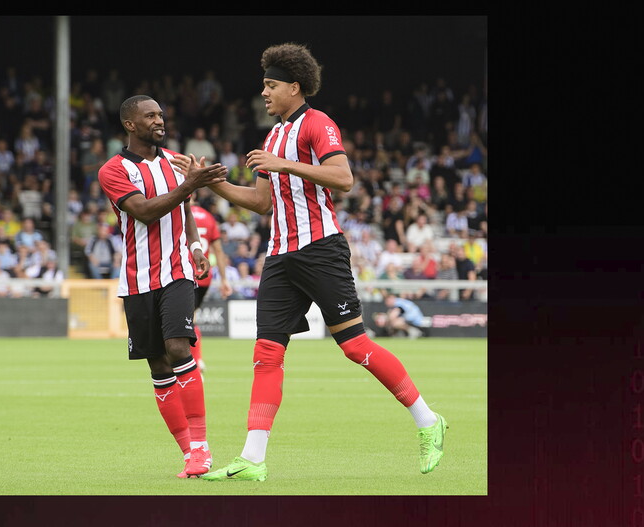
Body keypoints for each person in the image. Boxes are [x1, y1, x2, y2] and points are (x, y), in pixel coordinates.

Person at [171, 43, 447, 481]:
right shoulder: (272, 136)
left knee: (355, 347)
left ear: (294, 87)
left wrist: (285, 164)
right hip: (280, 256)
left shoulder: (318, 124)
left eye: (270, 85)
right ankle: (253, 458)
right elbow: (261, 202)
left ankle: (429, 420)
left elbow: (344, 178)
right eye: (264, 84)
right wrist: (211, 185)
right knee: (266, 354)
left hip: (321, 249)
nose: (263, 92)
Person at [97, 94, 228, 479]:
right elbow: (145, 210)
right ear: (130, 124)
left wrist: (196, 245)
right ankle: (188, 452)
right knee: (157, 365)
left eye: (161, 114)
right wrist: (189, 183)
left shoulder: (175, 161)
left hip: (177, 271)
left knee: (176, 347)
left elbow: (185, 208)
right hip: (137, 279)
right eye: (150, 115)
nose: (159, 120)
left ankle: (202, 447)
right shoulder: (113, 170)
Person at [190, 194, 233, 372]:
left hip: (184, 274)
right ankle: (195, 359)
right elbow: (218, 251)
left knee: (186, 320)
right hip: (205, 277)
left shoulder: (178, 212)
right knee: (190, 316)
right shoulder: (208, 217)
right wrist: (223, 279)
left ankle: (195, 360)